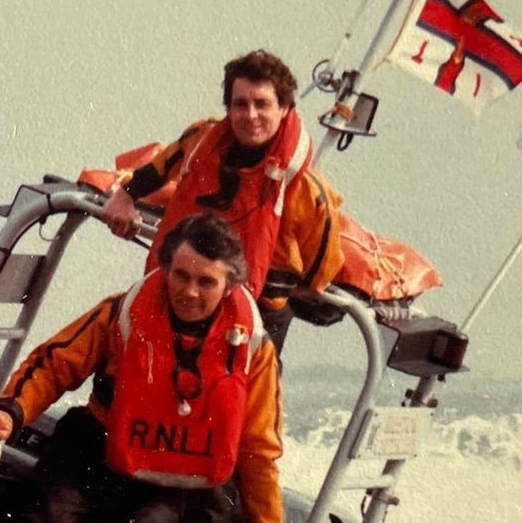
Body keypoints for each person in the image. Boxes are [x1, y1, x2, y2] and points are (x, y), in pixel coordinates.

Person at [0, 213, 307, 523]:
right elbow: (55, 364)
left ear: (229, 286)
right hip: (99, 443)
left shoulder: (253, 351)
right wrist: (11, 412)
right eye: (181, 276)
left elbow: (259, 449)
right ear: (165, 270)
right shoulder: (121, 313)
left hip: (173, 471)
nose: (190, 292)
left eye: (205, 282)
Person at [99, 48, 342, 351]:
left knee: (248, 393)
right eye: (241, 104)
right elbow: (157, 169)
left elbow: (320, 269)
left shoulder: (308, 191)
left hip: (257, 313)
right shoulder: (200, 139)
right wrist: (125, 196)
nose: (251, 115)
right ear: (229, 108)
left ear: (284, 108)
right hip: (181, 290)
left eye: (262, 104)